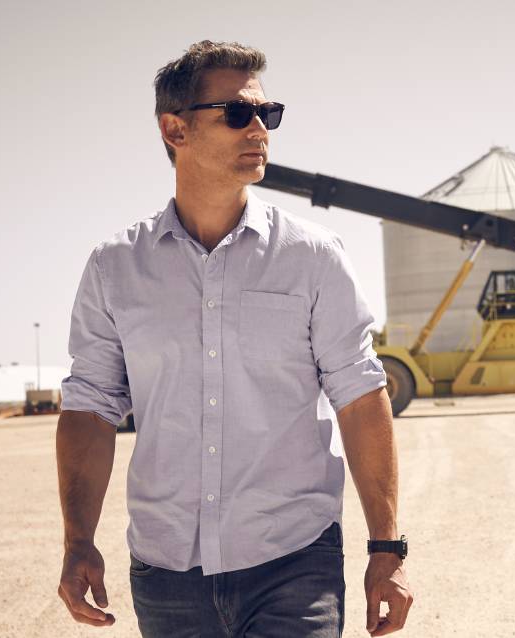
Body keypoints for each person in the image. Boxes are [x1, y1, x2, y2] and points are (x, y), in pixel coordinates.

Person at [55, 40, 413, 637]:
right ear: (175, 129)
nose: (260, 129)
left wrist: (387, 548)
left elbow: (359, 397)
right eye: (239, 113)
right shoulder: (115, 267)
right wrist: (77, 541)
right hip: (166, 572)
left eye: (267, 114)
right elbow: (90, 409)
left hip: (294, 561)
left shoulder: (313, 257)